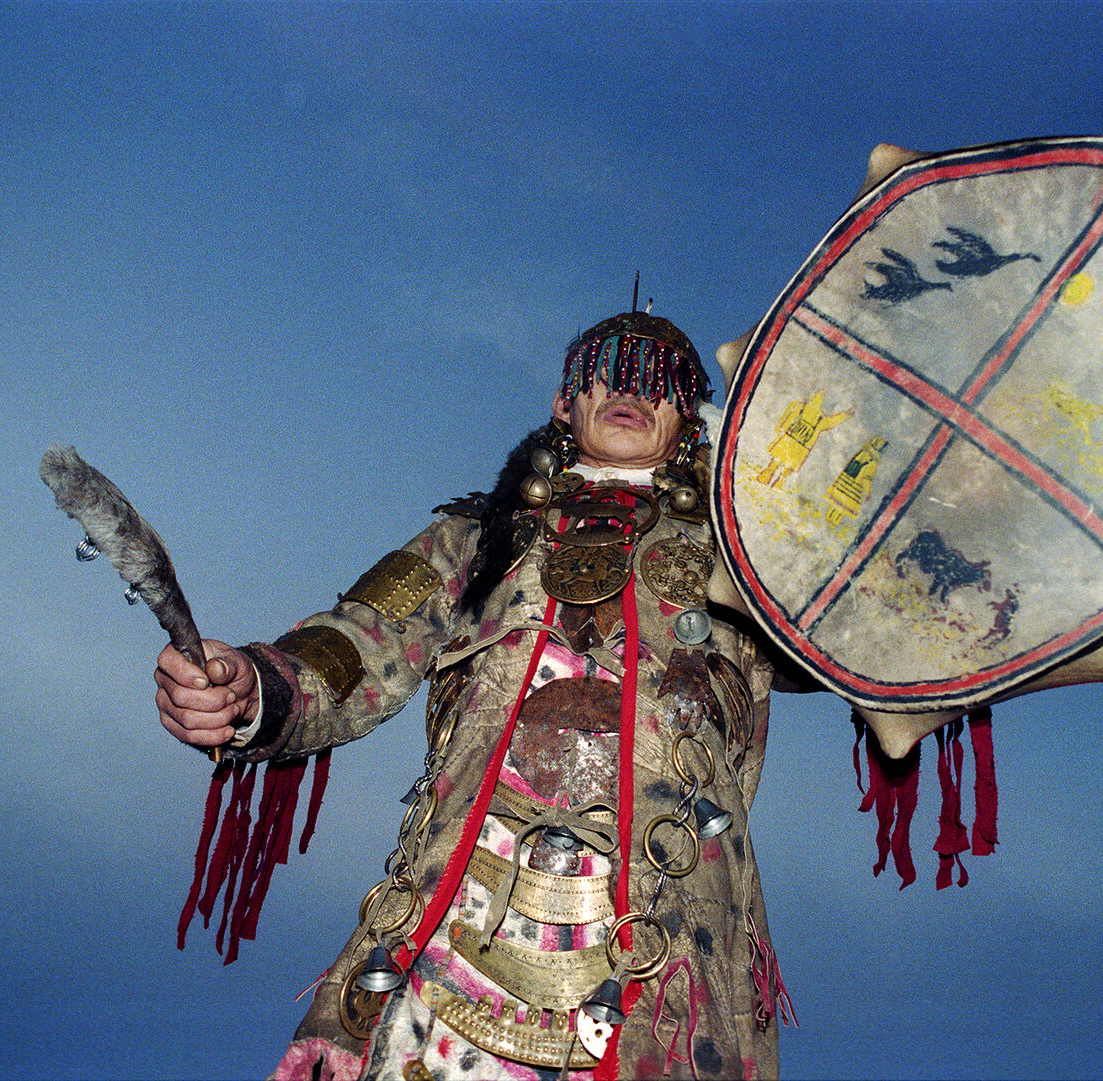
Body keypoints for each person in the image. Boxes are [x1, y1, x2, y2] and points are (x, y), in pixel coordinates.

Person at [155, 311, 804, 1080]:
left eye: (657, 379)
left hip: (670, 925)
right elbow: (362, 637)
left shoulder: (750, 554)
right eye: (605, 371)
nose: (628, 390)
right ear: (563, 402)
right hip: (462, 903)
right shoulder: (477, 537)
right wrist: (255, 685)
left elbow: (865, 631)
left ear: (692, 416)